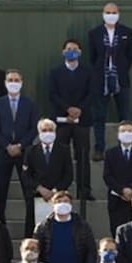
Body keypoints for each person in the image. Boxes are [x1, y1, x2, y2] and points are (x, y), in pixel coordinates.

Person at [48, 38, 94, 201]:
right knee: (60, 155)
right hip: (62, 120)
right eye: (68, 48)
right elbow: (52, 94)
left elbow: (91, 93)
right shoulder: (55, 72)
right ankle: (61, 189)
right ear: (63, 52)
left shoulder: (88, 72)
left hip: (83, 119)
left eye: (75, 49)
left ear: (80, 53)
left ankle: (84, 190)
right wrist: (67, 109)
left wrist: (79, 109)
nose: (71, 51)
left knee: (83, 155)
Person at [88, 2, 132, 158]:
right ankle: (99, 148)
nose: (111, 15)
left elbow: (129, 57)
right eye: (108, 12)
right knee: (99, 115)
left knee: (124, 115)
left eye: (114, 12)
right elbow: (92, 57)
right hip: (102, 80)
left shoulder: (127, 32)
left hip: (121, 80)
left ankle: (126, 147)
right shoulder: (94, 33)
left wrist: (121, 70)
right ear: (103, 14)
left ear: (119, 13)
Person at [0, 70, 39, 219]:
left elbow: (33, 128)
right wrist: (7, 146)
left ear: (21, 83)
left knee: (28, 193)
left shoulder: (30, 104)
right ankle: (0, 227)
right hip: (2, 152)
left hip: (24, 153)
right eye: (10, 80)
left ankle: (30, 230)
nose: (13, 83)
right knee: (0, 193)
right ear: (5, 83)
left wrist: (20, 146)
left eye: (16, 80)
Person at [24, 118, 75, 234]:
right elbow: (26, 175)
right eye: (44, 130)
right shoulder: (31, 151)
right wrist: (40, 188)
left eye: (50, 130)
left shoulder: (64, 150)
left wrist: (55, 191)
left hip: (57, 197)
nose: (47, 133)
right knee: (34, 230)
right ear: (39, 132)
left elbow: (68, 175)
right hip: (36, 196)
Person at [102, 120, 132, 236]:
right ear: (118, 134)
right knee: (118, 234)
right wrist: (122, 190)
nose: (126, 133)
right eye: (123, 131)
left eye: (129, 131)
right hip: (117, 200)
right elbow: (107, 176)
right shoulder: (110, 153)